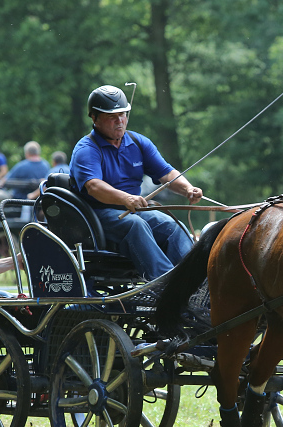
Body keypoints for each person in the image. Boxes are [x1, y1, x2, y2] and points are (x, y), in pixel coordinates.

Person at [69, 84, 202, 280]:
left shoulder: (138, 143)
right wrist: (126, 199)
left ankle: (194, 279)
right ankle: (165, 283)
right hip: (96, 214)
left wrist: (188, 189)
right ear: (94, 118)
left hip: (133, 209)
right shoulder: (87, 149)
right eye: (112, 116)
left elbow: (166, 173)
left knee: (173, 226)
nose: (120, 121)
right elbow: (94, 186)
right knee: (135, 225)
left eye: (122, 114)